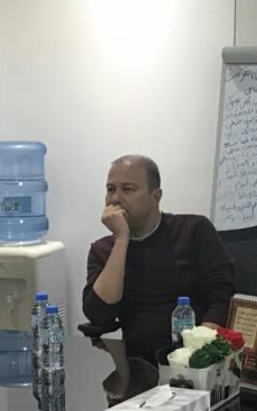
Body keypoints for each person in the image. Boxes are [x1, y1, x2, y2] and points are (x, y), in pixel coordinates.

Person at [83, 154, 236, 361]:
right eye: (110, 189)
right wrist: (121, 240)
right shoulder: (103, 250)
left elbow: (222, 300)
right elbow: (99, 316)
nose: (116, 198)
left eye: (128, 189)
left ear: (156, 196)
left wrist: (197, 355)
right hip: (137, 364)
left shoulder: (194, 231)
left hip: (194, 358)